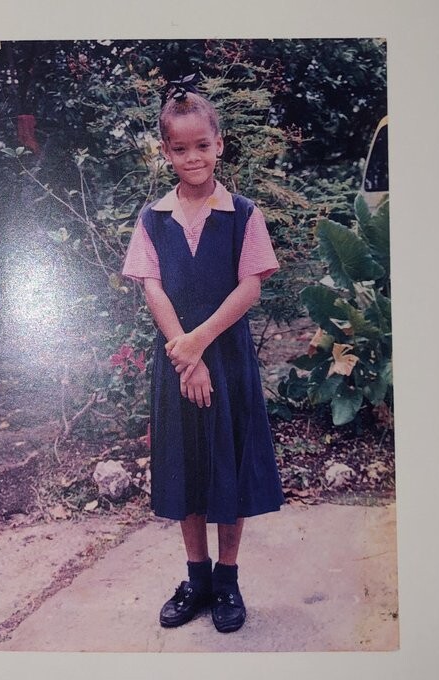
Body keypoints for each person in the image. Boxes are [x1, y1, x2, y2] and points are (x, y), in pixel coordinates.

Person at [122, 81, 285, 634]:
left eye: (202, 146)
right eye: (180, 148)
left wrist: (200, 343)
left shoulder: (243, 214)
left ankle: (227, 580)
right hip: (178, 363)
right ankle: (196, 579)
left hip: (229, 360)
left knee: (229, 465)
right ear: (166, 153)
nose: (192, 157)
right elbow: (153, 288)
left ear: (220, 145)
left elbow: (250, 287)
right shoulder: (153, 218)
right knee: (188, 466)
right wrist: (186, 357)